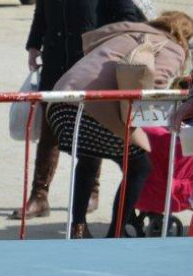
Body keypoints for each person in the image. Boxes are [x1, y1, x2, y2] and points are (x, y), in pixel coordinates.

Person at [18, 0, 141, 220]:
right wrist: (34, 44)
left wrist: (109, 51)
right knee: (49, 129)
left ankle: (92, 191)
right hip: (55, 61)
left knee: (88, 129)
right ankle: (39, 196)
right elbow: (42, 11)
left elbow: (125, 16)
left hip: (91, 64)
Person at [46, 12, 191, 238]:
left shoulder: (129, 34)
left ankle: (78, 227)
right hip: (95, 106)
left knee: (89, 160)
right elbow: (157, 85)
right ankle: (116, 232)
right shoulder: (171, 46)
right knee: (140, 166)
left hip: (62, 103)